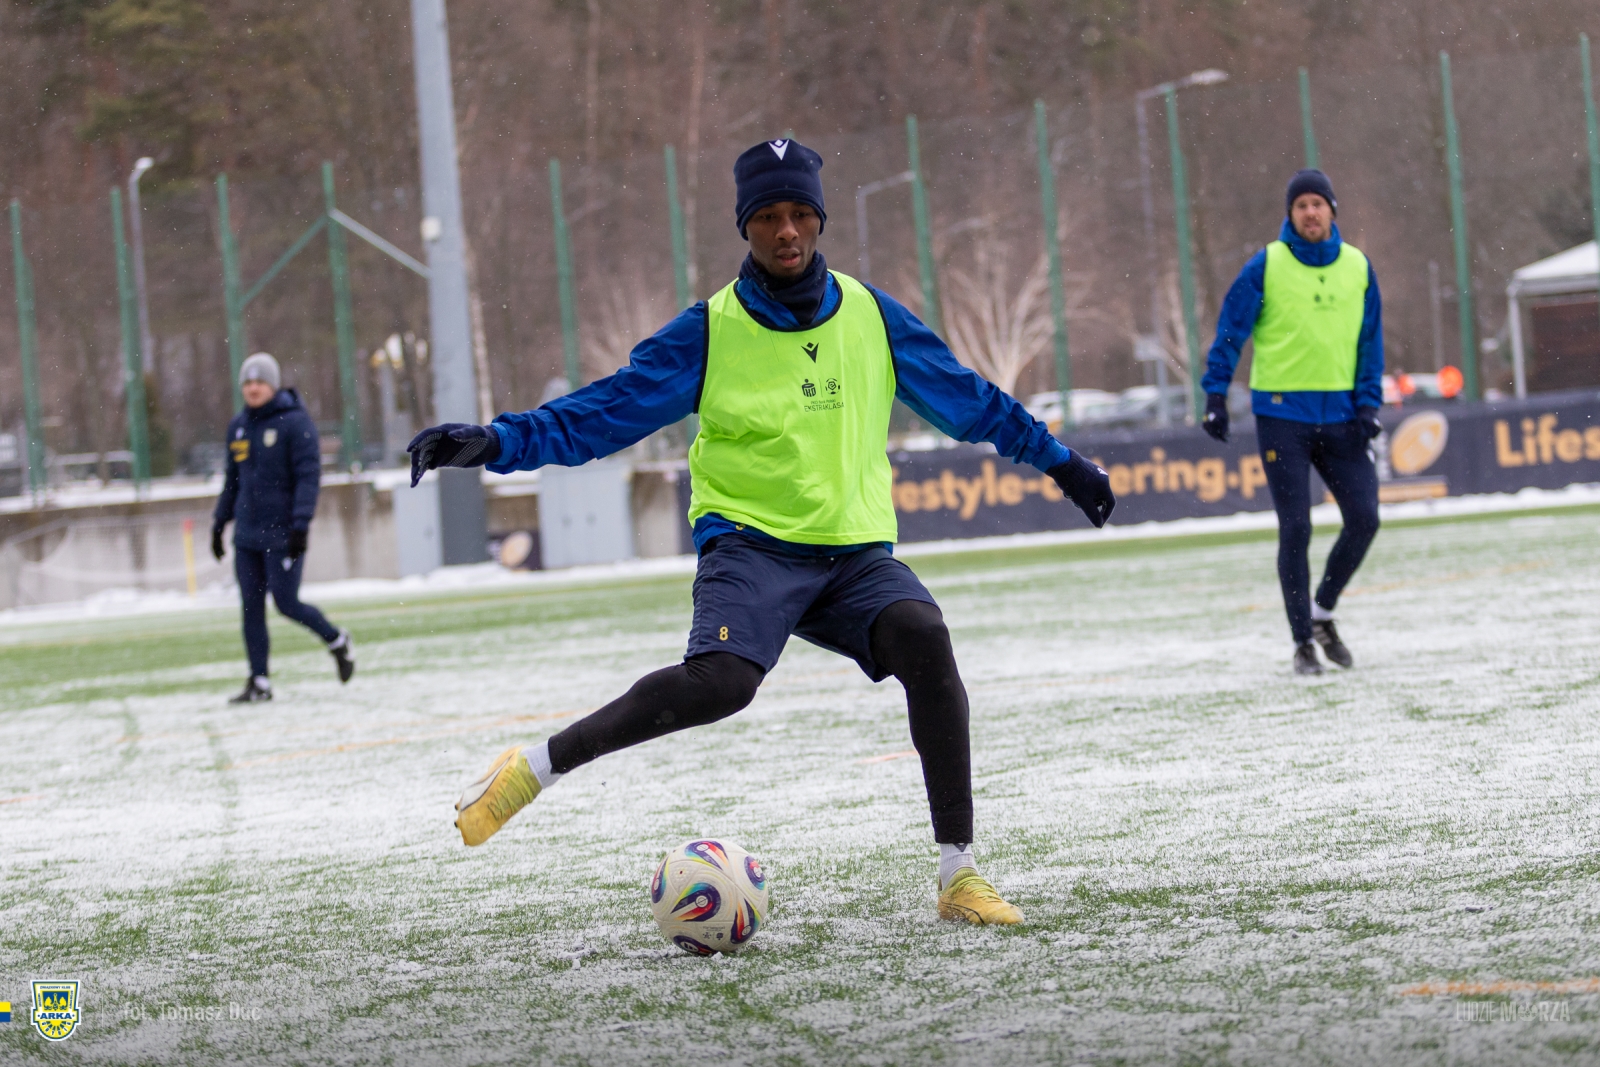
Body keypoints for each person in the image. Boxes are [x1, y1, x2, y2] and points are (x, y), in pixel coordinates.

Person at [408, 139, 1115, 926]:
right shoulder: (709, 331)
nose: (787, 231)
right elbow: (604, 413)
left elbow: (971, 400)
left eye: (800, 214)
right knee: (722, 684)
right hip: (751, 548)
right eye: (769, 216)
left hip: (853, 555)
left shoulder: (874, 316)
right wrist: (496, 442)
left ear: (820, 220)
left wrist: (1061, 462)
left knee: (924, 634)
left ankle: (960, 874)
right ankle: (533, 768)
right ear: (745, 227)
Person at [1200, 169, 1383, 675]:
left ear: (1332, 210)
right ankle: (1303, 642)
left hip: (1344, 416)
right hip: (1282, 416)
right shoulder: (1267, 264)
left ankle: (1323, 613)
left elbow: (1370, 343)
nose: (1310, 212)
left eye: (1317, 203)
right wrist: (1215, 393)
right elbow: (1231, 330)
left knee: (1365, 518)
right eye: (1300, 205)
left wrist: (1369, 404)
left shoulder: (1358, 267)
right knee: (1297, 526)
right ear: (1290, 214)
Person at [212, 352, 355, 702]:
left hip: (282, 533)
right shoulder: (239, 427)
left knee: (286, 603)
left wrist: (300, 525)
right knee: (251, 608)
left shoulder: (295, 423)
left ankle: (337, 640)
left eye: (259, 382)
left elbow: (308, 477)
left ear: (273, 385)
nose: (253, 388)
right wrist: (219, 522)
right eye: (248, 382)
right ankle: (259, 682)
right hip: (247, 536)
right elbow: (232, 480)